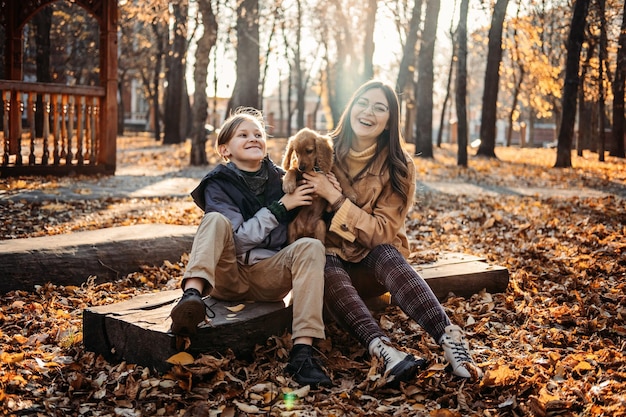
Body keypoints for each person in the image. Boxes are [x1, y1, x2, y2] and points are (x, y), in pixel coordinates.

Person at [302, 80, 483, 383]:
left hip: (373, 269)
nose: (368, 112)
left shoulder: (399, 166)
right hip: (329, 269)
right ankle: (385, 351)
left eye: (379, 108)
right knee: (323, 256)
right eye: (362, 102)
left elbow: (382, 232)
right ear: (350, 108)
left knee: (386, 250)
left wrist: (336, 199)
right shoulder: (322, 150)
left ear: (389, 121)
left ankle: (450, 339)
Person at [169, 107, 331, 388]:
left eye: (258, 134)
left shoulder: (285, 180)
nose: (253, 138)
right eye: (243, 135)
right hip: (227, 276)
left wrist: (330, 190)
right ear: (224, 149)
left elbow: (317, 211)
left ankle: (303, 353)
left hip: (269, 277)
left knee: (311, 247)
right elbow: (237, 239)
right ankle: (191, 295)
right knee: (215, 220)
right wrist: (280, 208)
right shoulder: (217, 184)